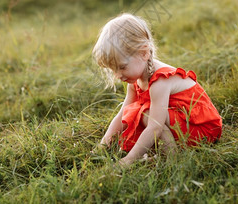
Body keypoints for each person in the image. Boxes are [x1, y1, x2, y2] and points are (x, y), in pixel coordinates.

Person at [92, 13, 222, 166]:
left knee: (146, 114)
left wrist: (127, 161)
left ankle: (172, 156)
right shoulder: (136, 81)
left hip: (201, 128)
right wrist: (103, 145)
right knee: (132, 111)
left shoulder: (160, 82)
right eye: (113, 69)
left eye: (122, 67)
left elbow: (155, 126)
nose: (118, 75)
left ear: (144, 53)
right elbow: (122, 115)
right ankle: (165, 151)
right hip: (180, 122)